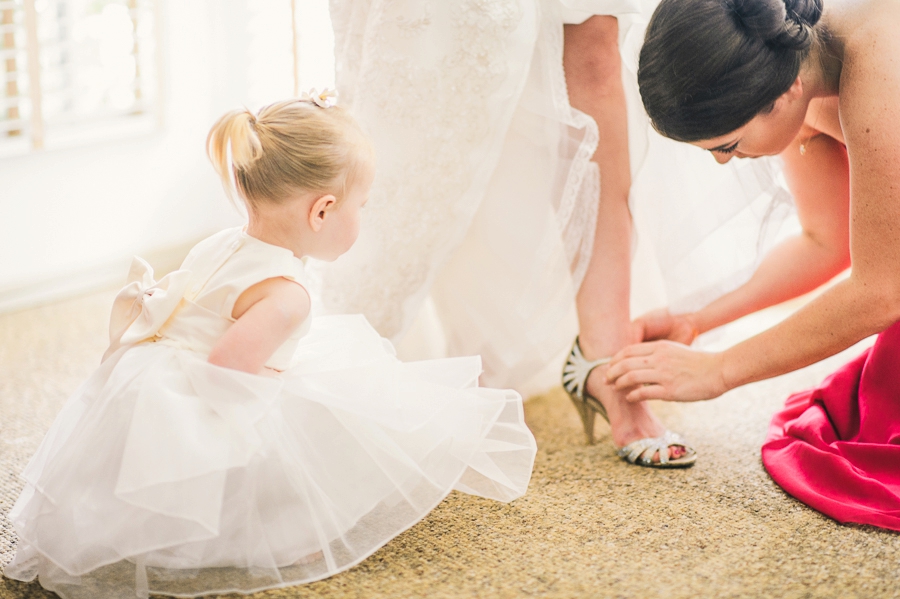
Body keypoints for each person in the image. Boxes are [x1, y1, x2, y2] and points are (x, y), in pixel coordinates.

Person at [2, 94, 537, 598]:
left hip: (153, 373)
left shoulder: (224, 240)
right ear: (322, 210)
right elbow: (227, 368)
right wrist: (287, 394)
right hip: (204, 386)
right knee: (323, 416)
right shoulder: (288, 297)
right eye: (363, 206)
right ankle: (278, 535)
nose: (362, 217)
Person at [607, 0, 900, 529]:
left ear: (781, 96)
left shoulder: (882, 61)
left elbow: (882, 289)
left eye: (728, 144)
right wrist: (697, 320)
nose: (723, 161)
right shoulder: (788, 67)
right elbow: (824, 241)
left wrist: (721, 370)